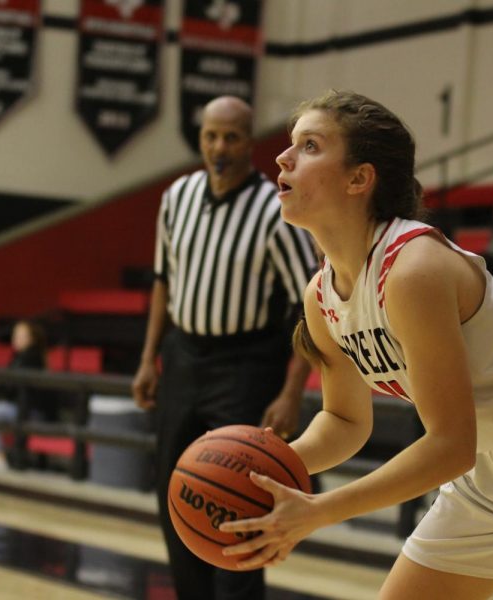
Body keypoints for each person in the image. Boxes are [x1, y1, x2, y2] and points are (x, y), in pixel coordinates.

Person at [220, 91, 493, 599]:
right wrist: (269, 472)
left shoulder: (413, 269)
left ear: (359, 179)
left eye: (310, 145)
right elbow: (345, 422)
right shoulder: (321, 295)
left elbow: (450, 444)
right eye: (291, 145)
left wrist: (318, 511)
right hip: (491, 468)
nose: (282, 156)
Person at [131, 96, 316, 600]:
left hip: (247, 363)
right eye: (211, 136)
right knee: (178, 491)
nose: (219, 147)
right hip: (184, 356)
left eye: (231, 137)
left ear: (249, 143)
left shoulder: (275, 210)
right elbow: (162, 283)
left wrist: (292, 390)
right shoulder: (176, 197)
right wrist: (150, 358)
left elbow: (312, 306)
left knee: (240, 504)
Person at [0, 319, 49, 470]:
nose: (16, 339)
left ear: (32, 338)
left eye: (21, 335)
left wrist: (0, 385)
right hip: (17, 407)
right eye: (15, 335)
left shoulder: (31, 358)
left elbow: (14, 387)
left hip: (28, 411)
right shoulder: (19, 357)